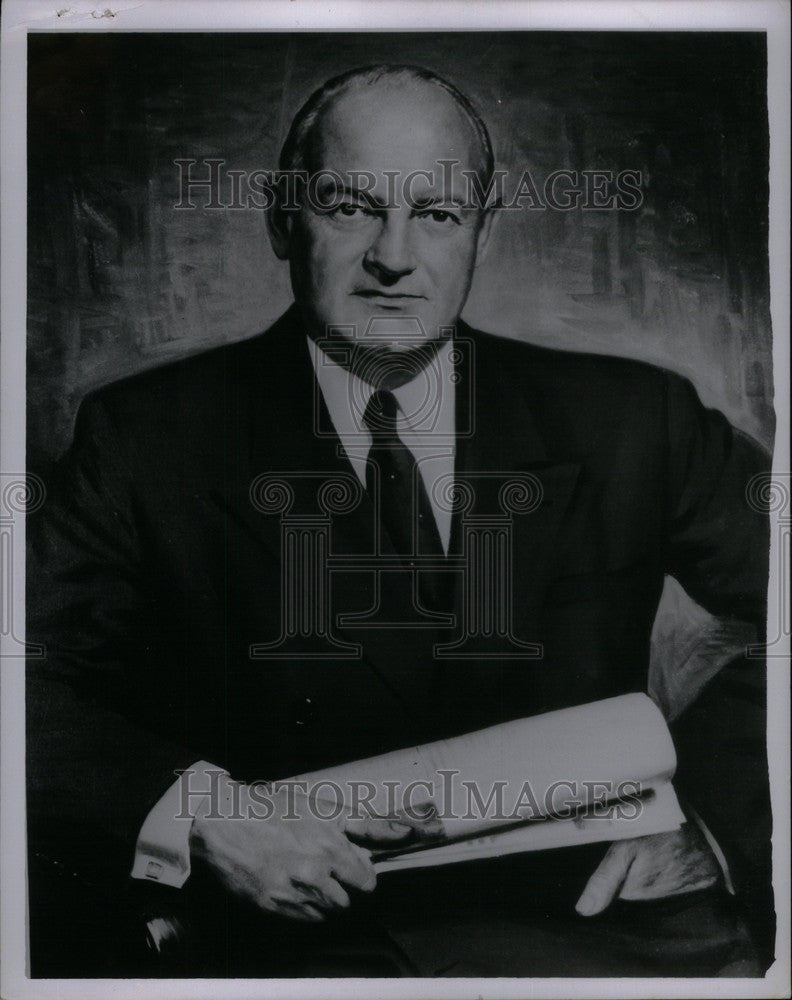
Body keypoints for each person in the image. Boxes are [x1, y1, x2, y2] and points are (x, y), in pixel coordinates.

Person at [26, 64, 773, 978]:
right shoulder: (143, 437)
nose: (393, 255)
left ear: (483, 235)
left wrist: (716, 817)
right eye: (349, 206)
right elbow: (21, 684)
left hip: (596, 933)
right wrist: (193, 813)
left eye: (438, 213)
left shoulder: (633, 420)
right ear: (279, 217)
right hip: (276, 949)